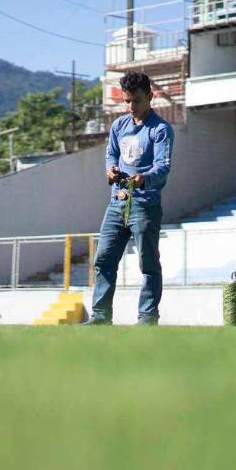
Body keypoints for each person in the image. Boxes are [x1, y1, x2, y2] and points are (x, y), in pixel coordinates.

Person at [84, 71, 174, 326]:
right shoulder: (119, 126)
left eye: (137, 100)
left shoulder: (161, 130)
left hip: (144, 206)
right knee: (103, 259)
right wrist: (110, 170)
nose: (131, 106)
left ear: (150, 97)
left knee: (148, 264)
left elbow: (163, 167)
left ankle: (147, 317)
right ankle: (101, 316)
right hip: (117, 203)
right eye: (127, 101)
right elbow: (111, 155)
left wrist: (143, 178)